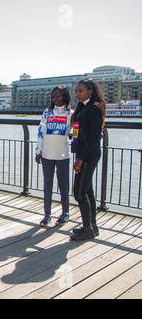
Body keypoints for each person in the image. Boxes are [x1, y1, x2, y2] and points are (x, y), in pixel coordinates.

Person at [70, 78, 106, 241]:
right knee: (87, 190)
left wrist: (81, 158)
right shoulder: (84, 108)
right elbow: (77, 133)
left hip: (88, 154)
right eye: (77, 91)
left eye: (81, 91)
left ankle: (88, 229)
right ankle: (92, 226)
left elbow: (93, 138)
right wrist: (76, 152)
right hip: (83, 153)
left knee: (79, 192)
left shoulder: (94, 108)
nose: (78, 94)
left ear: (90, 91)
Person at [35, 85, 73, 228]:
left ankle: (65, 212)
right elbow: (41, 132)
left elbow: (74, 132)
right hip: (47, 154)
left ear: (65, 96)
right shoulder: (47, 112)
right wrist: (38, 151)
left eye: (58, 96)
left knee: (63, 185)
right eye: (53, 96)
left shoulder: (70, 113)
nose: (55, 99)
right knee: (47, 185)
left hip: (62, 154)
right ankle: (47, 214)